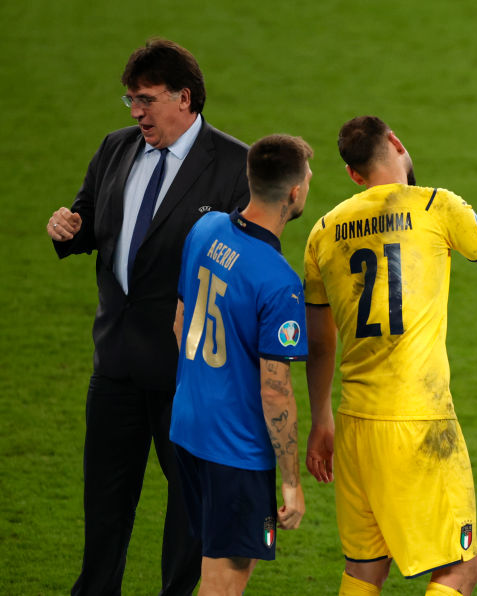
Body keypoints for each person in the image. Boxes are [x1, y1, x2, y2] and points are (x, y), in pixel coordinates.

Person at [302, 115, 477, 596]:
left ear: (354, 175)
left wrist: (320, 421)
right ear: (396, 142)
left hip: (354, 420)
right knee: (461, 569)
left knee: (364, 568)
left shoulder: (324, 230)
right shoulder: (437, 206)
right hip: (419, 420)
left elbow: (319, 342)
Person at [45, 38, 249, 595]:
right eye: (130, 100)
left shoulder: (233, 164)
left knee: (187, 510)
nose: (136, 111)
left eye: (146, 99)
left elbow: (247, 260)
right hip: (114, 363)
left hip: (189, 371)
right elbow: (92, 217)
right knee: (104, 507)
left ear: (185, 98)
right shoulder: (116, 148)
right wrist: (70, 228)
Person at [169, 134, 312, 595]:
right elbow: (275, 390)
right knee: (225, 583)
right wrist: (291, 482)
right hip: (236, 452)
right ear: (294, 193)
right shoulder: (280, 282)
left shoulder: (206, 229)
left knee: (213, 565)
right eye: (307, 178)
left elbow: (179, 324)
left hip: (188, 430)